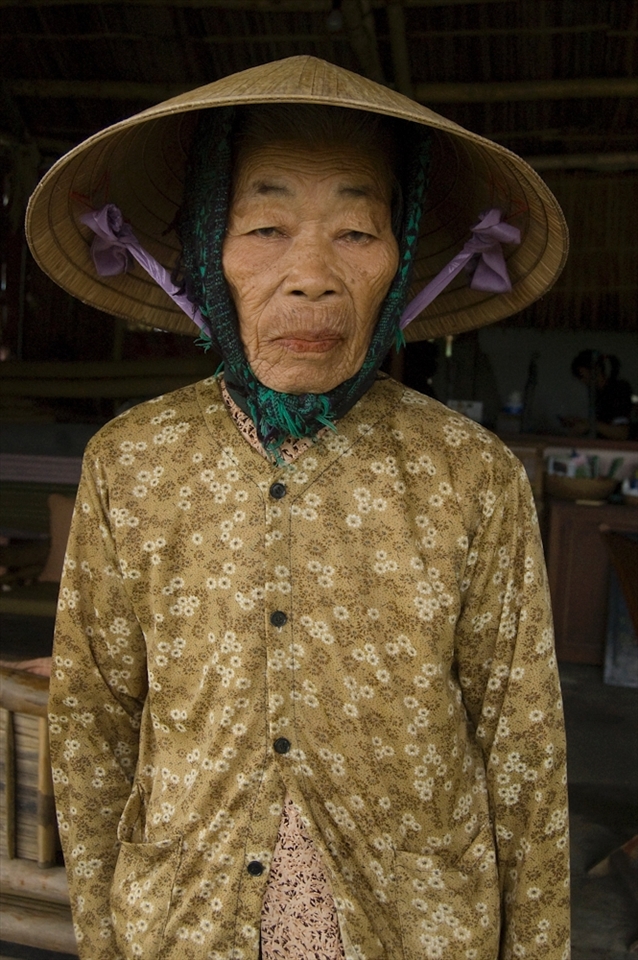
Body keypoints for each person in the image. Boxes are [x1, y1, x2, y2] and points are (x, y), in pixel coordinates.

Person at [27, 57, 570, 960]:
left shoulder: (471, 474)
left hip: (419, 930)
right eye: (266, 229)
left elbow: (524, 752)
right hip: (187, 926)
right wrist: (104, 939)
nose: (311, 276)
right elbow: (92, 726)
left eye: (355, 232)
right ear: (210, 251)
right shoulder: (132, 463)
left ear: (398, 259)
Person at [563, 349, 634, 440]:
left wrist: (589, 425)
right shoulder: (597, 393)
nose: (582, 381)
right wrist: (580, 422)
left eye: (582, 376)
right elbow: (602, 425)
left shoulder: (618, 390)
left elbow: (622, 433)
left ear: (596, 370)